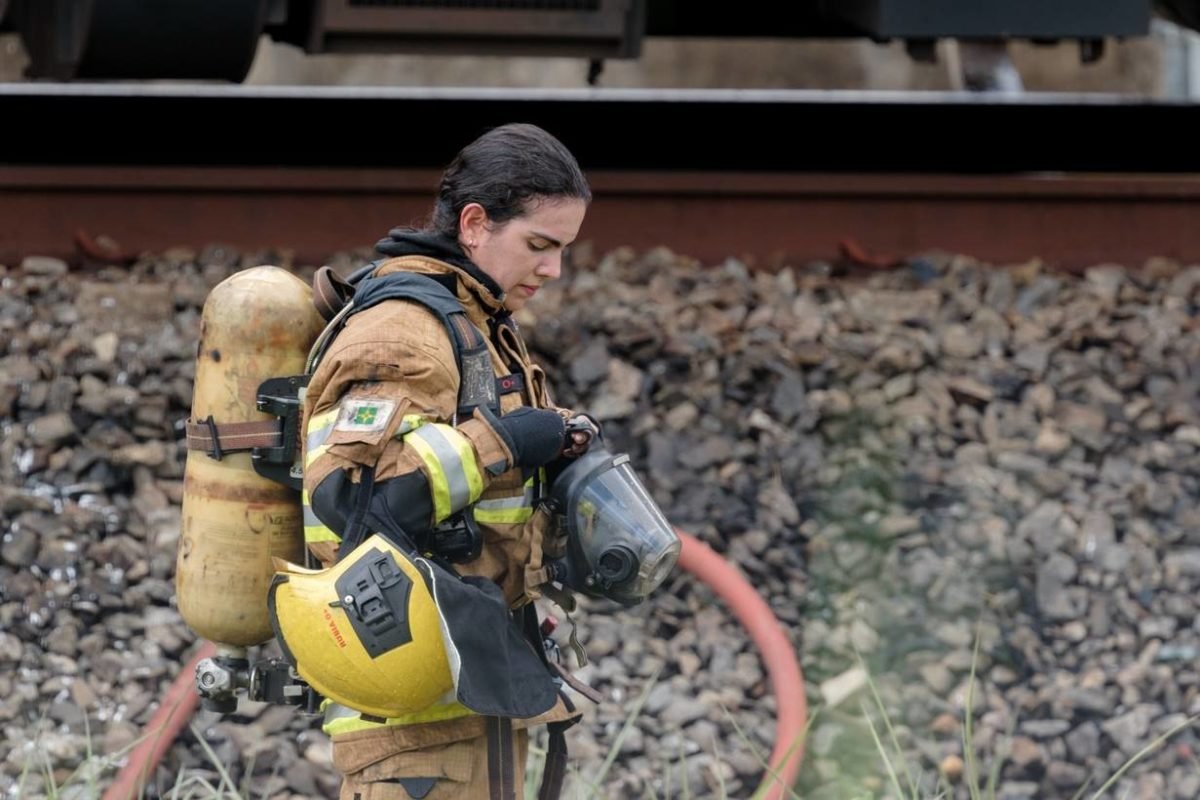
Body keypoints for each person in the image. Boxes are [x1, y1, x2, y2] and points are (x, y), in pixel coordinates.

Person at [297, 123, 598, 800]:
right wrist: (508, 442)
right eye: (539, 246)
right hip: (412, 727)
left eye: (563, 251)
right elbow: (353, 504)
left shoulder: (476, 325)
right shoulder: (404, 333)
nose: (552, 270)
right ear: (473, 223)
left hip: (472, 696)